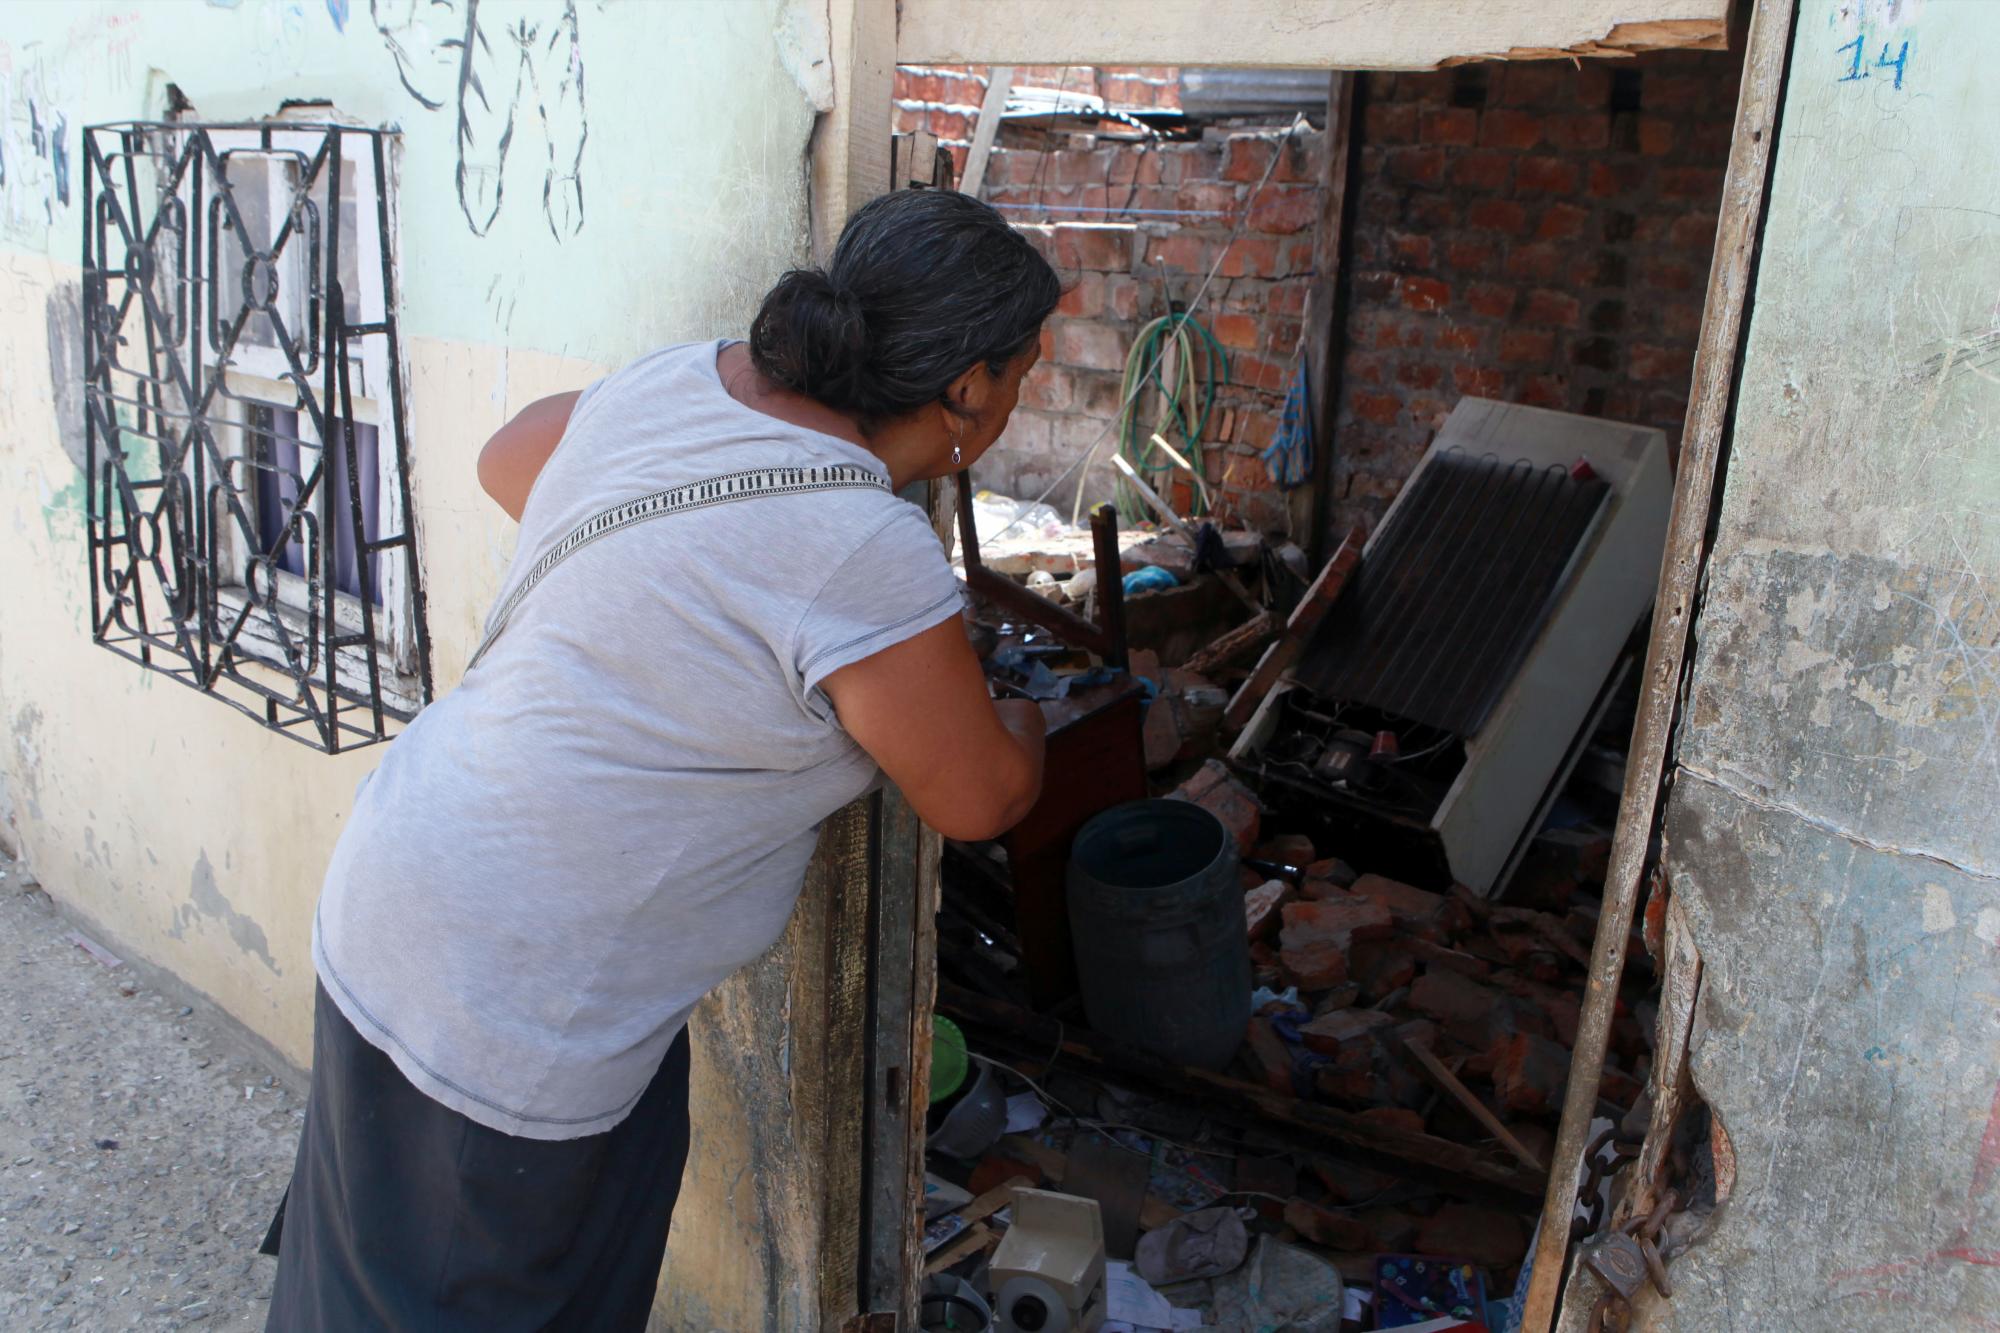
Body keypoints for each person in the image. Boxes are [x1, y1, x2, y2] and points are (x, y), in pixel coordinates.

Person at [262, 189, 1061, 1330]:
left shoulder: (683, 381)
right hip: (512, 1002)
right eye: (1025, 374)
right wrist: (1018, 718)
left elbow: (510, 458)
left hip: (405, 889)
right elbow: (979, 794)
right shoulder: (862, 548)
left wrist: (670, 622)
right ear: (970, 387)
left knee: (365, 1285)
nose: (1017, 401)